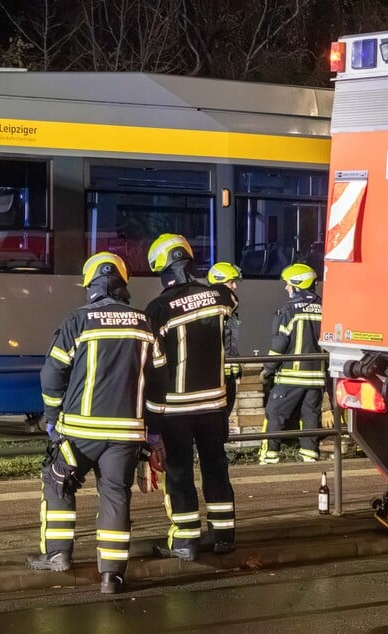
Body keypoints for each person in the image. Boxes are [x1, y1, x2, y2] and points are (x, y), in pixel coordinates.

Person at [27, 251, 166, 595]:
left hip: (78, 433)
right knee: (116, 497)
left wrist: (54, 417)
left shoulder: (78, 320)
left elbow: (51, 373)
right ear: (122, 285)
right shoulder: (143, 322)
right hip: (126, 434)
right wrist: (153, 428)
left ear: (91, 285)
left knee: (57, 482)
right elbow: (159, 380)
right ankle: (112, 576)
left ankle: (58, 555)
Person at [145, 234, 237, 561]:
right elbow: (230, 307)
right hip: (215, 405)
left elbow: (155, 367)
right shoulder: (221, 295)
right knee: (216, 466)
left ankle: (185, 542)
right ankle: (224, 534)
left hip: (176, 409)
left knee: (180, 472)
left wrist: (151, 421)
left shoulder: (158, 309)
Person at [259, 263, 325, 464]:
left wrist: (268, 369)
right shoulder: (325, 307)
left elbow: (280, 342)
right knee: (310, 417)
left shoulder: (289, 309)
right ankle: (309, 457)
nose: (286, 288)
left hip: (291, 375)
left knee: (275, 413)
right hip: (317, 377)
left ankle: (269, 458)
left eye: (288, 284)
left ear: (297, 284)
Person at [207, 262, 243, 420]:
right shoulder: (219, 309)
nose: (234, 286)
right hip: (218, 372)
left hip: (224, 370)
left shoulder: (225, 309)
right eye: (231, 282)